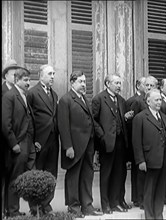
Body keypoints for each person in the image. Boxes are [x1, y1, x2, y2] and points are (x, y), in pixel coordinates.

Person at [58, 70, 101, 217]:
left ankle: (87, 206)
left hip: (88, 146)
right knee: (73, 177)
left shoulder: (84, 99)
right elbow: (63, 126)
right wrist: (68, 147)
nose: (84, 84)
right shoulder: (66, 100)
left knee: (87, 176)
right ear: (72, 83)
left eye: (84, 82)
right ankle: (74, 208)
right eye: (80, 82)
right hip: (74, 147)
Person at [92, 74, 133, 214]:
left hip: (121, 142)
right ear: (108, 83)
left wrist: (125, 118)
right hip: (107, 142)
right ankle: (105, 204)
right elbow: (94, 120)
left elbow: (119, 118)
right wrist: (102, 136)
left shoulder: (121, 100)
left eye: (120, 83)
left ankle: (115, 202)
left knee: (118, 173)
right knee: (106, 174)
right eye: (116, 83)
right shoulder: (99, 98)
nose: (119, 86)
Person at [2, 67, 40, 217]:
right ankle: (12, 211)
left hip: (29, 143)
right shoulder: (10, 96)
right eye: (25, 80)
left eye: (29, 80)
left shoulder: (24, 95)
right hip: (18, 144)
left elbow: (28, 119)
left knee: (31, 175)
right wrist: (13, 144)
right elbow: (5, 123)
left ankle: (34, 209)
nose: (28, 83)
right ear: (17, 80)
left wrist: (34, 141)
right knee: (15, 177)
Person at [132, 89, 166, 219]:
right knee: (149, 190)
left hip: (163, 159)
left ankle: (158, 214)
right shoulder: (140, 117)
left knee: (161, 190)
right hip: (149, 159)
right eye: (156, 100)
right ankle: (149, 216)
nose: (159, 102)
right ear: (148, 101)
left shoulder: (164, 117)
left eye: (160, 100)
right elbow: (136, 141)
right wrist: (140, 161)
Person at [26, 65, 59, 216]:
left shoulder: (55, 94)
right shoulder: (32, 93)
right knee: (37, 173)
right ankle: (35, 207)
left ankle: (46, 204)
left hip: (53, 140)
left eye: (53, 74)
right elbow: (28, 119)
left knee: (51, 173)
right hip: (39, 140)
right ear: (41, 75)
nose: (52, 76)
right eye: (49, 74)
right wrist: (33, 141)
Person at [1, 59, 21, 217]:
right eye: (13, 73)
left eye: (17, 73)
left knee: (14, 177)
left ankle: (12, 210)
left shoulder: (19, 93)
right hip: (4, 142)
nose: (15, 76)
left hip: (16, 142)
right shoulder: (3, 93)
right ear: (6, 75)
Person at [125, 76, 146, 207]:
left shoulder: (145, 99)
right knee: (137, 171)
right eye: (146, 85)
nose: (148, 87)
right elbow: (133, 123)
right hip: (136, 141)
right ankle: (137, 198)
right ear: (138, 86)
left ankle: (140, 196)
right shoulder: (134, 101)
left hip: (145, 141)